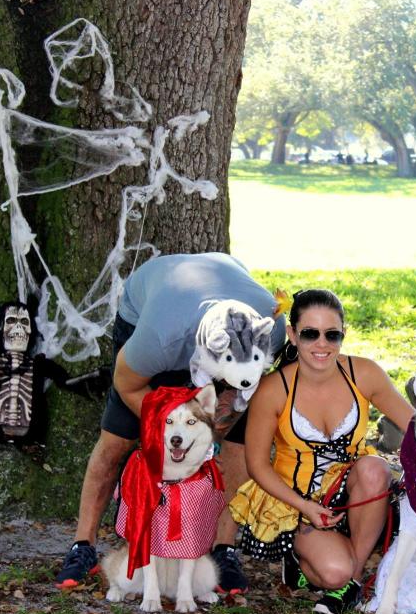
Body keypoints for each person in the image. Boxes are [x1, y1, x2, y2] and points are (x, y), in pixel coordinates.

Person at [55, 252, 285, 592]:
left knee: (236, 445)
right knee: (117, 439)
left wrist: (211, 432)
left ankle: (224, 549)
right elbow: (127, 383)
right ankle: (82, 546)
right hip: (151, 313)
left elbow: (242, 395)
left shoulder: (270, 329)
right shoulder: (159, 339)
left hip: (222, 306)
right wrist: (172, 432)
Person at [228, 289, 415, 614]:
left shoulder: (364, 373)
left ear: (344, 333)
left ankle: (352, 582)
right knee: (332, 572)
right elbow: (257, 465)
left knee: (375, 468)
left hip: (354, 494)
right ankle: (310, 565)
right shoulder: (273, 390)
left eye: (332, 334)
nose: (322, 344)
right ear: (292, 334)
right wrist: (305, 507)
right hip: (296, 501)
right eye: (310, 334)